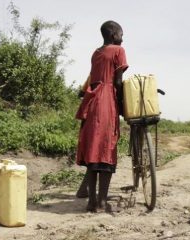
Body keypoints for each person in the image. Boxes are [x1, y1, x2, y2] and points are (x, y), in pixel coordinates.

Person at [75, 20, 128, 212]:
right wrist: (123, 104)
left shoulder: (95, 52)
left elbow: (93, 77)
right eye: (122, 34)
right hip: (107, 100)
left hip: (91, 100)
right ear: (114, 34)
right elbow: (119, 81)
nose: (123, 38)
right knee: (106, 148)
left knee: (93, 150)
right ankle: (103, 203)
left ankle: (91, 202)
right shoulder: (118, 51)